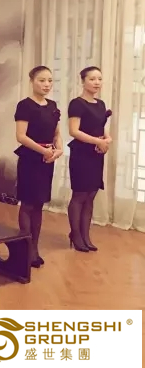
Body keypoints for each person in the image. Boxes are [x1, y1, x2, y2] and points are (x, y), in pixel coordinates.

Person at [14, 66, 63, 269]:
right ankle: (25, 248)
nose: (46, 84)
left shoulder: (52, 106)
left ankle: (34, 246)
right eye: (42, 80)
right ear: (32, 81)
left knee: (39, 204)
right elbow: (21, 136)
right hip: (30, 159)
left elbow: (56, 133)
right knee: (27, 204)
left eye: (50, 80)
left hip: (47, 160)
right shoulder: (25, 105)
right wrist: (43, 151)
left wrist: (58, 150)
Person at [67, 66, 111, 252]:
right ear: (83, 81)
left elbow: (102, 126)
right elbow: (74, 131)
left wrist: (107, 140)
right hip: (81, 154)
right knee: (79, 195)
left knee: (91, 194)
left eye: (99, 79)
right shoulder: (76, 103)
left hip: (96, 154)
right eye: (92, 79)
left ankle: (86, 235)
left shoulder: (100, 104)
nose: (97, 82)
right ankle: (75, 234)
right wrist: (97, 141)